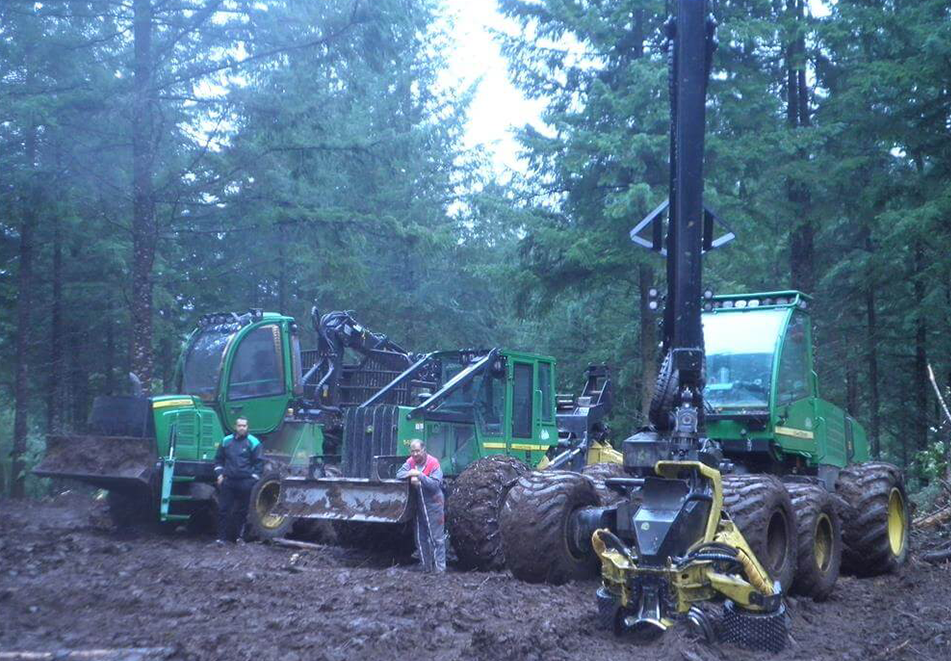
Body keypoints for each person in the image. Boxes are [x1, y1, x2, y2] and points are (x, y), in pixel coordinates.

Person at [396, 439, 446, 572]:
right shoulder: (410, 462)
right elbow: (398, 474)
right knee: (420, 537)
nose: (415, 454)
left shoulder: (433, 463)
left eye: (417, 451)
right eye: (412, 451)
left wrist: (420, 476)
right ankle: (426, 567)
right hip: (419, 505)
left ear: (424, 450)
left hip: (434, 503)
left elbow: (435, 484)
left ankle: (440, 569)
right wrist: (410, 474)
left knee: (437, 538)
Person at [214, 417, 264, 544]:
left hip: (245, 482)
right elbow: (218, 459)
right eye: (239, 425)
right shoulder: (226, 441)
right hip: (228, 481)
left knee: (242, 511)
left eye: (244, 426)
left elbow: (259, 463)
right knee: (224, 510)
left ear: (247, 427)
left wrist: (253, 479)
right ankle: (221, 538)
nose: (242, 428)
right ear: (235, 426)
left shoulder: (253, 442)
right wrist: (219, 475)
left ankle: (239, 538)